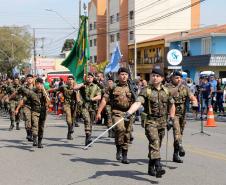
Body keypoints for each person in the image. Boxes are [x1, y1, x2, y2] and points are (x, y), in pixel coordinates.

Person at [117, 68, 175, 178]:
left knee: (156, 145)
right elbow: (138, 102)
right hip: (150, 122)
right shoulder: (146, 90)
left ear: (162, 78)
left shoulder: (167, 91)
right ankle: (158, 166)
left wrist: (171, 119)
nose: (154, 77)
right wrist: (129, 112)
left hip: (162, 122)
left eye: (157, 76)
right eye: (153, 75)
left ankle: (150, 166)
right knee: (155, 141)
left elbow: (172, 105)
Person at [96, 67, 137, 164]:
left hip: (129, 113)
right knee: (120, 129)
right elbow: (104, 100)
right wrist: (98, 112)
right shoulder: (112, 87)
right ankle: (118, 147)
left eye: (126, 74)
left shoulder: (132, 87)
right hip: (117, 112)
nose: (124, 76)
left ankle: (124, 155)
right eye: (122, 74)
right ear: (118, 75)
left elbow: (138, 101)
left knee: (127, 133)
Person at [167, 71, 198, 163]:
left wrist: (194, 103)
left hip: (182, 115)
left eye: (180, 78)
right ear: (172, 78)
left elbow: (192, 97)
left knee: (180, 134)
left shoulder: (185, 88)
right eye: (176, 77)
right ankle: (180, 147)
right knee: (176, 132)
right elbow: (168, 97)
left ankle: (175, 155)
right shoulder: (167, 87)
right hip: (173, 114)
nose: (179, 79)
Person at [79, 72, 101, 146]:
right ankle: (88, 136)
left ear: (93, 78)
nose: (89, 78)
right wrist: (82, 84)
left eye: (91, 77)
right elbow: (74, 88)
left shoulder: (96, 86)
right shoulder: (83, 85)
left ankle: (87, 138)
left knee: (90, 123)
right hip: (84, 106)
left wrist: (92, 99)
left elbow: (99, 96)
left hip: (92, 107)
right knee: (87, 120)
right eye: (88, 77)